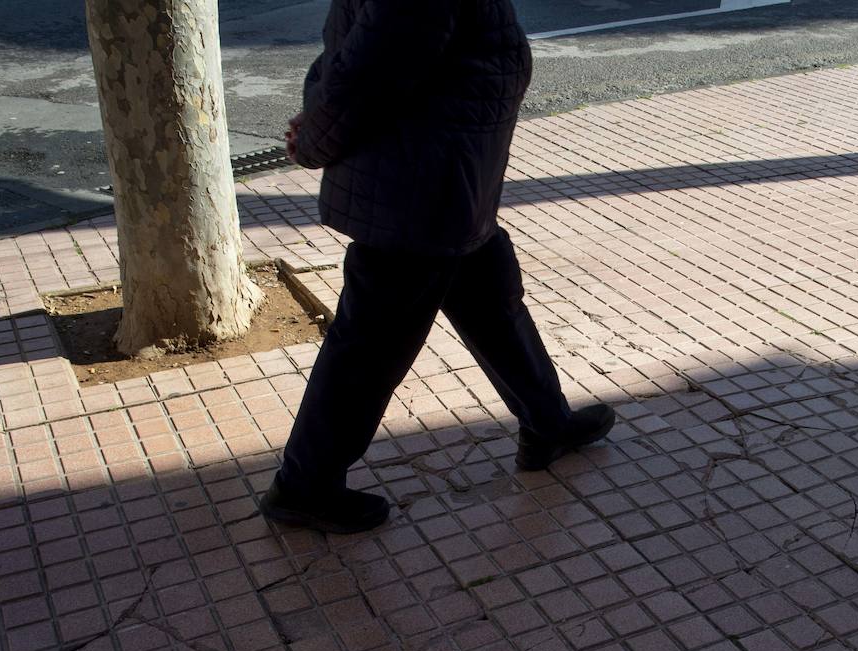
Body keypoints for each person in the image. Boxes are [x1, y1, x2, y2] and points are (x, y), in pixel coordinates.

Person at [259, 0, 615, 535]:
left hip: (451, 180)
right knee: (371, 344)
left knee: (493, 302)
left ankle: (548, 423)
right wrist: (311, 141)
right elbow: (362, 72)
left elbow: (351, 54)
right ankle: (304, 484)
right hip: (418, 187)